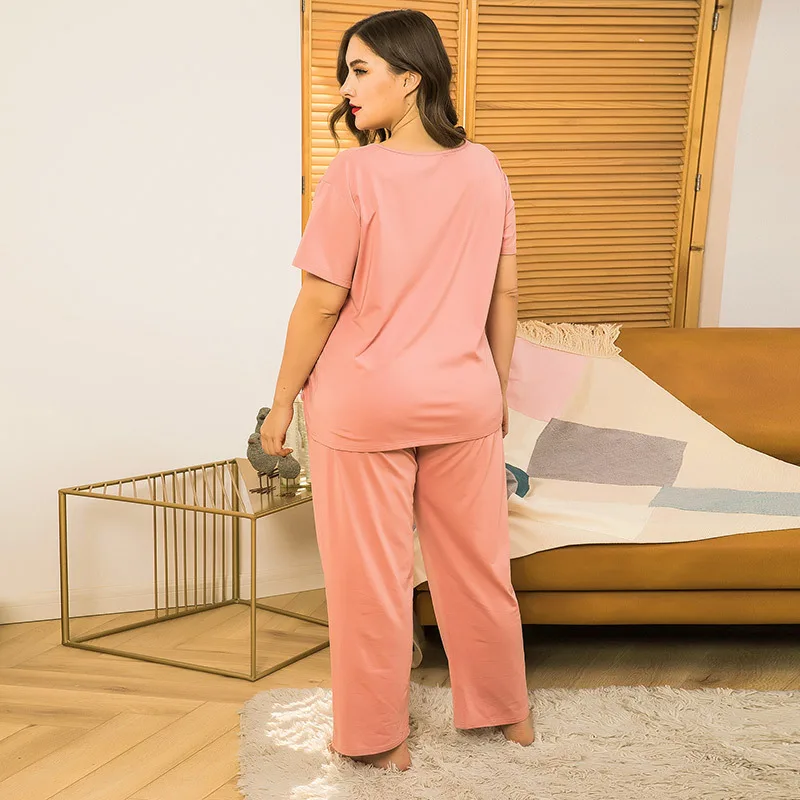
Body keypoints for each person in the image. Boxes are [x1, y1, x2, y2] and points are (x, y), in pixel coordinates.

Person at [260, 9, 534, 772]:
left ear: (411, 78)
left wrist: (281, 402)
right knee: (478, 567)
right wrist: (494, 388)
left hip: (364, 405)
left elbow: (321, 302)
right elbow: (505, 296)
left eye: (360, 70)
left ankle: (379, 740)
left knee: (370, 581)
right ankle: (506, 715)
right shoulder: (486, 169)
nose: (347, 88)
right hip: (464, 399)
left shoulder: (356, 174)